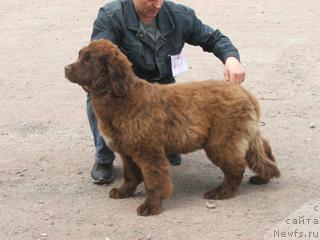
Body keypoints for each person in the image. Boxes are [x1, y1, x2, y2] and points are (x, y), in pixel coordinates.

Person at [87, 0, 246, 184]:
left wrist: (231, 58)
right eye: (150, 0)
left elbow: (213, 38)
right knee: (96, 98)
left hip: (161, 85)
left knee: (176, 99)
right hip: (126, 88)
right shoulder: (111, 15)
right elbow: (97, 60)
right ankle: (104, 158)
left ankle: (165, 147)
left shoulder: (179, 15)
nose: (157, 5)